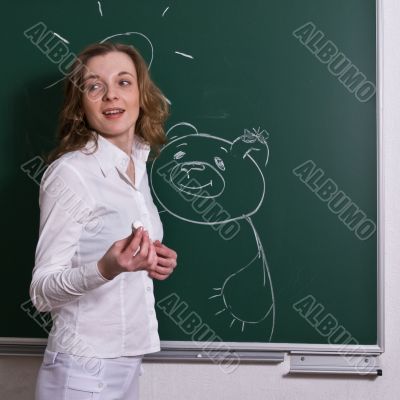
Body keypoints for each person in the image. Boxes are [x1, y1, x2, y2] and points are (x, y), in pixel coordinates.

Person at [30, 42, 178, 400]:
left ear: (141, 95)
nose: (111, 95)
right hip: (81, 370)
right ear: (80, 106)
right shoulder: (71, 174)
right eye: (95, 86)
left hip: (128, 361)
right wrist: (105, 268)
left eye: (124, 82)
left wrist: (151, 260)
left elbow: (113, 248)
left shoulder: (138, 164)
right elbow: (41, 292)